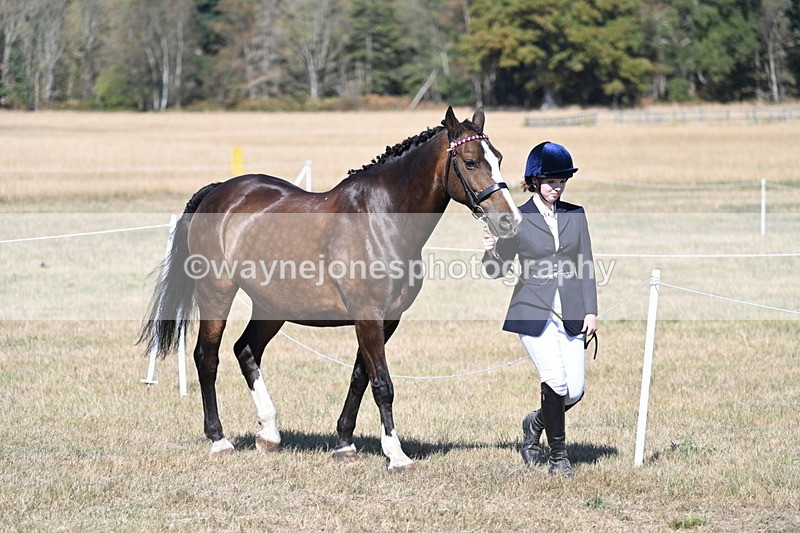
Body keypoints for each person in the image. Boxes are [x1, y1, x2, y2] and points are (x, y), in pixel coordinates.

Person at [482, 141, 597, 476]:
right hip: (532, 311)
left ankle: (534, 423)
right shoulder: (518, 217)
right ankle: (558, 457)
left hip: (572, 310)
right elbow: (497, 270)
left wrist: (591, 311)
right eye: (550, 181)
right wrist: (491, 251)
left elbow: (585, 264)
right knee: (556, 381)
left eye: (562, 180)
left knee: (574, 390)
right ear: (533, 181)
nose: (557, 187)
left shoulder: (575, 214)